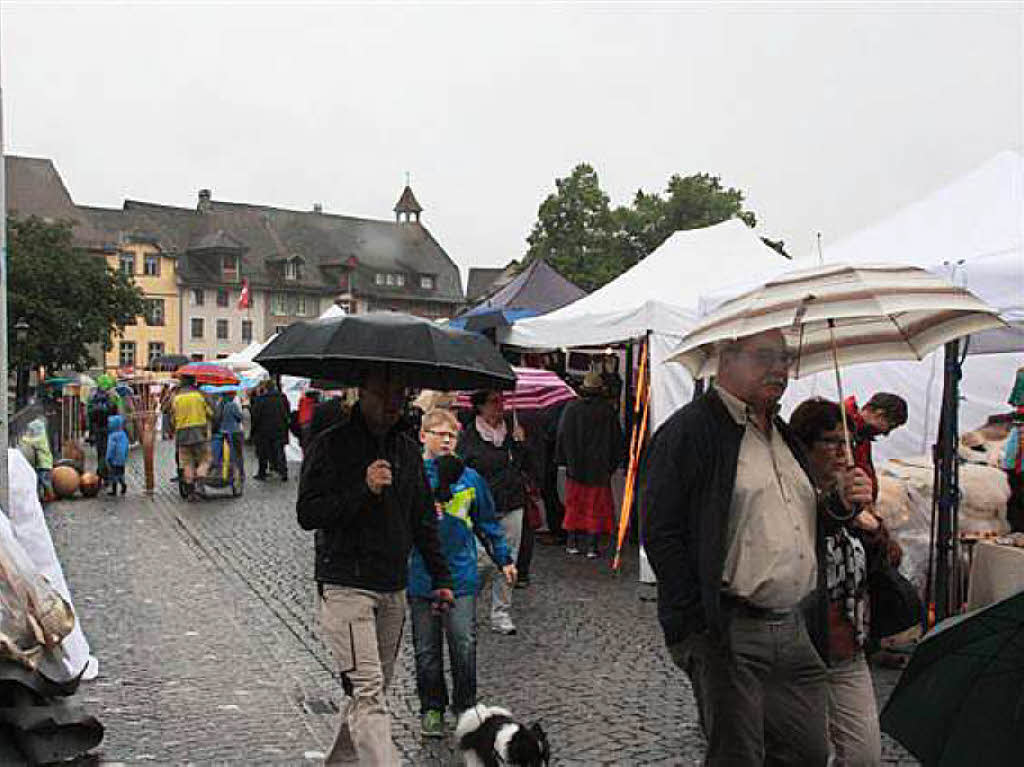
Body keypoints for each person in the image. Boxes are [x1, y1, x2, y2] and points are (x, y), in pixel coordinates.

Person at [644, 329, 873, 766]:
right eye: (765, 357)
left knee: (807, 752)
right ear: (725, 359)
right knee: (739, 756)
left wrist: (840, 504)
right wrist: (700, 624)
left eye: (785, 358)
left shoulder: (782, 435)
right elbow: (660, 532)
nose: (780, 369)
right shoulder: (690, 432)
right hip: (728, 626)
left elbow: (802, 525)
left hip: (792, 625)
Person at [296, 367, 454, 766]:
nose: (391, 402)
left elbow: (422, 519)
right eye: (383, 392)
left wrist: (441, 577)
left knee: (368, 691)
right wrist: (362, 490)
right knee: (368, 692)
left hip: (392, 585)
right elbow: (308, 512)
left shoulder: (405, 450)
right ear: (361, 392)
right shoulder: (331, 445)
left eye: (399, 393)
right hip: (345, 584)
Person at [791, 398, 895, 767]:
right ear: (805, 445)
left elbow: (880, 567)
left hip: (848, 645)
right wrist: (842, 508)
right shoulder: (790, 494)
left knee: (864, 755)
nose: (841, 451)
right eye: (830, 441)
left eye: (846, 441)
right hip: (799, 647)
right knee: (803, 753)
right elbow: (810, 533)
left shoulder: (852, 492)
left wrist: (875, 530)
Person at [410, 408, 516, 737]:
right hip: (420, 576)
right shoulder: (413, 476)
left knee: (463, 644)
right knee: (426, 649)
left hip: (461, 575)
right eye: (438, 433)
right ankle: (431, 708)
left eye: (451, 435)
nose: (445, 440)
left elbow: (487, 522)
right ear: (422, 436)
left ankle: (465, 705)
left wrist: (504, 558)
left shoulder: (470, 479)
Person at [457, 389, 527, 636]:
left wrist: (520, 445)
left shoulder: (511, 432)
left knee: (508, 561)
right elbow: (461, 472)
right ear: (480, 406)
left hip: (511, 503)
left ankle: (501, 613)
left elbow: (523, 466)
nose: (500, 406)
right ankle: (466, 608)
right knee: (481, 561)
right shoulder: (468, 437)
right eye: (493, 402)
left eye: (501, 401)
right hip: (480, 509)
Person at [556, 370, 625, 559]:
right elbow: (616, 441)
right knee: (596, 507)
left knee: (574, 505)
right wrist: (612, 465)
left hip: (575, 467)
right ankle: (592, 546)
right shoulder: (607, 411)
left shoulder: (571, 408)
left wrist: (564, 460)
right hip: (599, 469)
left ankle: (572, 542)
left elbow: (561, 436)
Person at [844, 392, 909, 500]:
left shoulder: (862, 436)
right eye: (890, 426)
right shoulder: (844, 431)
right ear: (879, 414)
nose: (886, 433)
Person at [171, 375, 213, 501]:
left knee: (187, 463)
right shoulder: (200, 396)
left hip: (182, 434)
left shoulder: (176, 398)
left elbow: (172, 419)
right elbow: (210, 413)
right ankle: (199, 486)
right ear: (193, 382)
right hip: (199, 432)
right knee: (206, 459)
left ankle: (190, 493)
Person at [251, 380, 291, 481]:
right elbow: (287, 412)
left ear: (266, 388)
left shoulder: (261, 399)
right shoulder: (282, 398)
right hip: (280, 429)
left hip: (264, 431)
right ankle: (283, 472)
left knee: (263, 453)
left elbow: (256, 416)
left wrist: (253, 431)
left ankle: (262, 473)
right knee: (280, 451)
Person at [87, 375, 118, 479]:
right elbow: (116, 413)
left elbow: (89, 417)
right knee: (108, 452)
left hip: (97, 429)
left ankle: (101, 472)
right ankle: (105, 473)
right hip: (109, 428)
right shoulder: (112, 397)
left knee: (100, 452)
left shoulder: (93, 396)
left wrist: (91, 434)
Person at [210, 389, 245, 483]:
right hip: (235, 432)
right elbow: (240, 418)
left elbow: (216, 419)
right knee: (238, 454)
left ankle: (225, 472)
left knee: (225, 455)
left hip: (222, 433)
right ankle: (240, 474)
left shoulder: (219, 405)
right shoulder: (232, 405)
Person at [18, 418, 54, 502]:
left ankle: (50, 495)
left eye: (32, 431)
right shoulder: (41, 436)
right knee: (41, 480)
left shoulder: (41, 438)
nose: (32, 432)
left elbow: (32, 441)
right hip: (42, 463)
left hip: (45, 464)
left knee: (44, 480)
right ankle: (45, 495)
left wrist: (23, 438)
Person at [104, 414, 129, 496]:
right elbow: (126, 446)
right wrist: (125, 456)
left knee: (113, 474)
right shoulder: (123, 434)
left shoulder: (112, 436)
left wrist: (108, 458)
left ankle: (114, 490)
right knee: (121, 473)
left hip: (114, 459)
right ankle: (123, 484)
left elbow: (111, 448)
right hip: (121, 459)